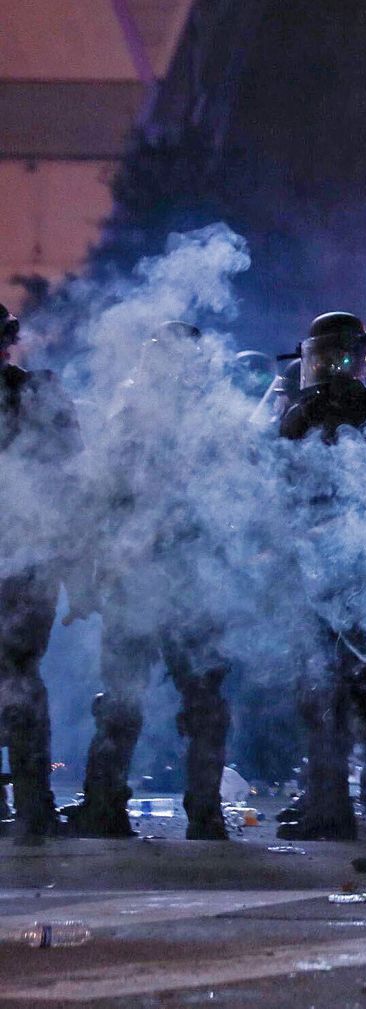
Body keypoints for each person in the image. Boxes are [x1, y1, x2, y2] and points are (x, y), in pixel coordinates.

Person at [64, 322, 239, 841]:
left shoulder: (136, 423)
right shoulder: (205, 424)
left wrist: (88, 578)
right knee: (182, 701)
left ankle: (108, 806)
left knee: (130, 698)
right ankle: (200, 813)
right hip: (171, 581)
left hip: (154, 579)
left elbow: (96, 503)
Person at [276, 312, 366, 842]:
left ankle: (336, 807)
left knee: (329, 689)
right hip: (360, 572)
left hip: (341, 571)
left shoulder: (303, 415)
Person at [1, 304, 91, 843]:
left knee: (18, 675)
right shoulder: (41, 394)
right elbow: (75, 485)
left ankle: (34, 805)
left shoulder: (39, 395)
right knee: (20, 675)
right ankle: (34, 806)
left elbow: (70, 485)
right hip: (33, 560)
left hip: (28, 557)